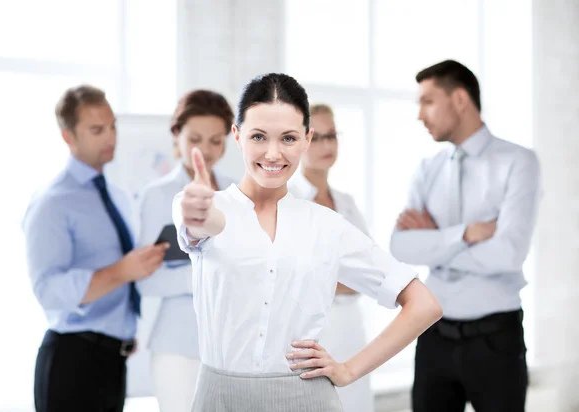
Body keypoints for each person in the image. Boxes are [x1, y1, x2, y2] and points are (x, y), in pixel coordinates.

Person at [173, 73, 443, 411]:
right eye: (259, 136)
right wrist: (199, 210)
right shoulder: (204, 206)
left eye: (288, 138)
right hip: (219, 399)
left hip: (306, 398)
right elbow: (206, 224)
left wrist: (348, 370)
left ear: (306, 139)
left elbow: (425, 305)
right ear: (238, 136)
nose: (273, 154)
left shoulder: (327, 226)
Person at [390, 60, 541, 412]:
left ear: (459, 99)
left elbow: (509, 254)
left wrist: (436, 241)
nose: (419, 115)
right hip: (433, 337)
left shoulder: (518, 162)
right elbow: (400, 246)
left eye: (427, 101)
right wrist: (466, 234)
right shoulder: (428, 169)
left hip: (495, 341)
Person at [23, 85, 168, 412]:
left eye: (113, 126)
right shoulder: (52, 203)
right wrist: (122, 271)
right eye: (97, 130)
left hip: (112, 362)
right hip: (72, 361)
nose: (111, 137)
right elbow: (47, 290)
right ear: (68, 136)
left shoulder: (118, 195)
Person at [135, 90, 236, 412]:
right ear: (176, 134)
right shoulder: (157, 196)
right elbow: (147, 281)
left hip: (235, 345)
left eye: (216, 141)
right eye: (195, 138)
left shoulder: (237, 193)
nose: (205, 151)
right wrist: (210, 274)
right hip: (178, 347)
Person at [287, 103, 374, 412]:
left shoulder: (347, 204)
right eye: (316, 136)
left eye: (332, 135)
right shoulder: (288, 202)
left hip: (352, 333)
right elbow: (289, 275)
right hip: (309, 335)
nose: (326, 145)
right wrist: (340, 276)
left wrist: (330, 277)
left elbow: (371, 273)